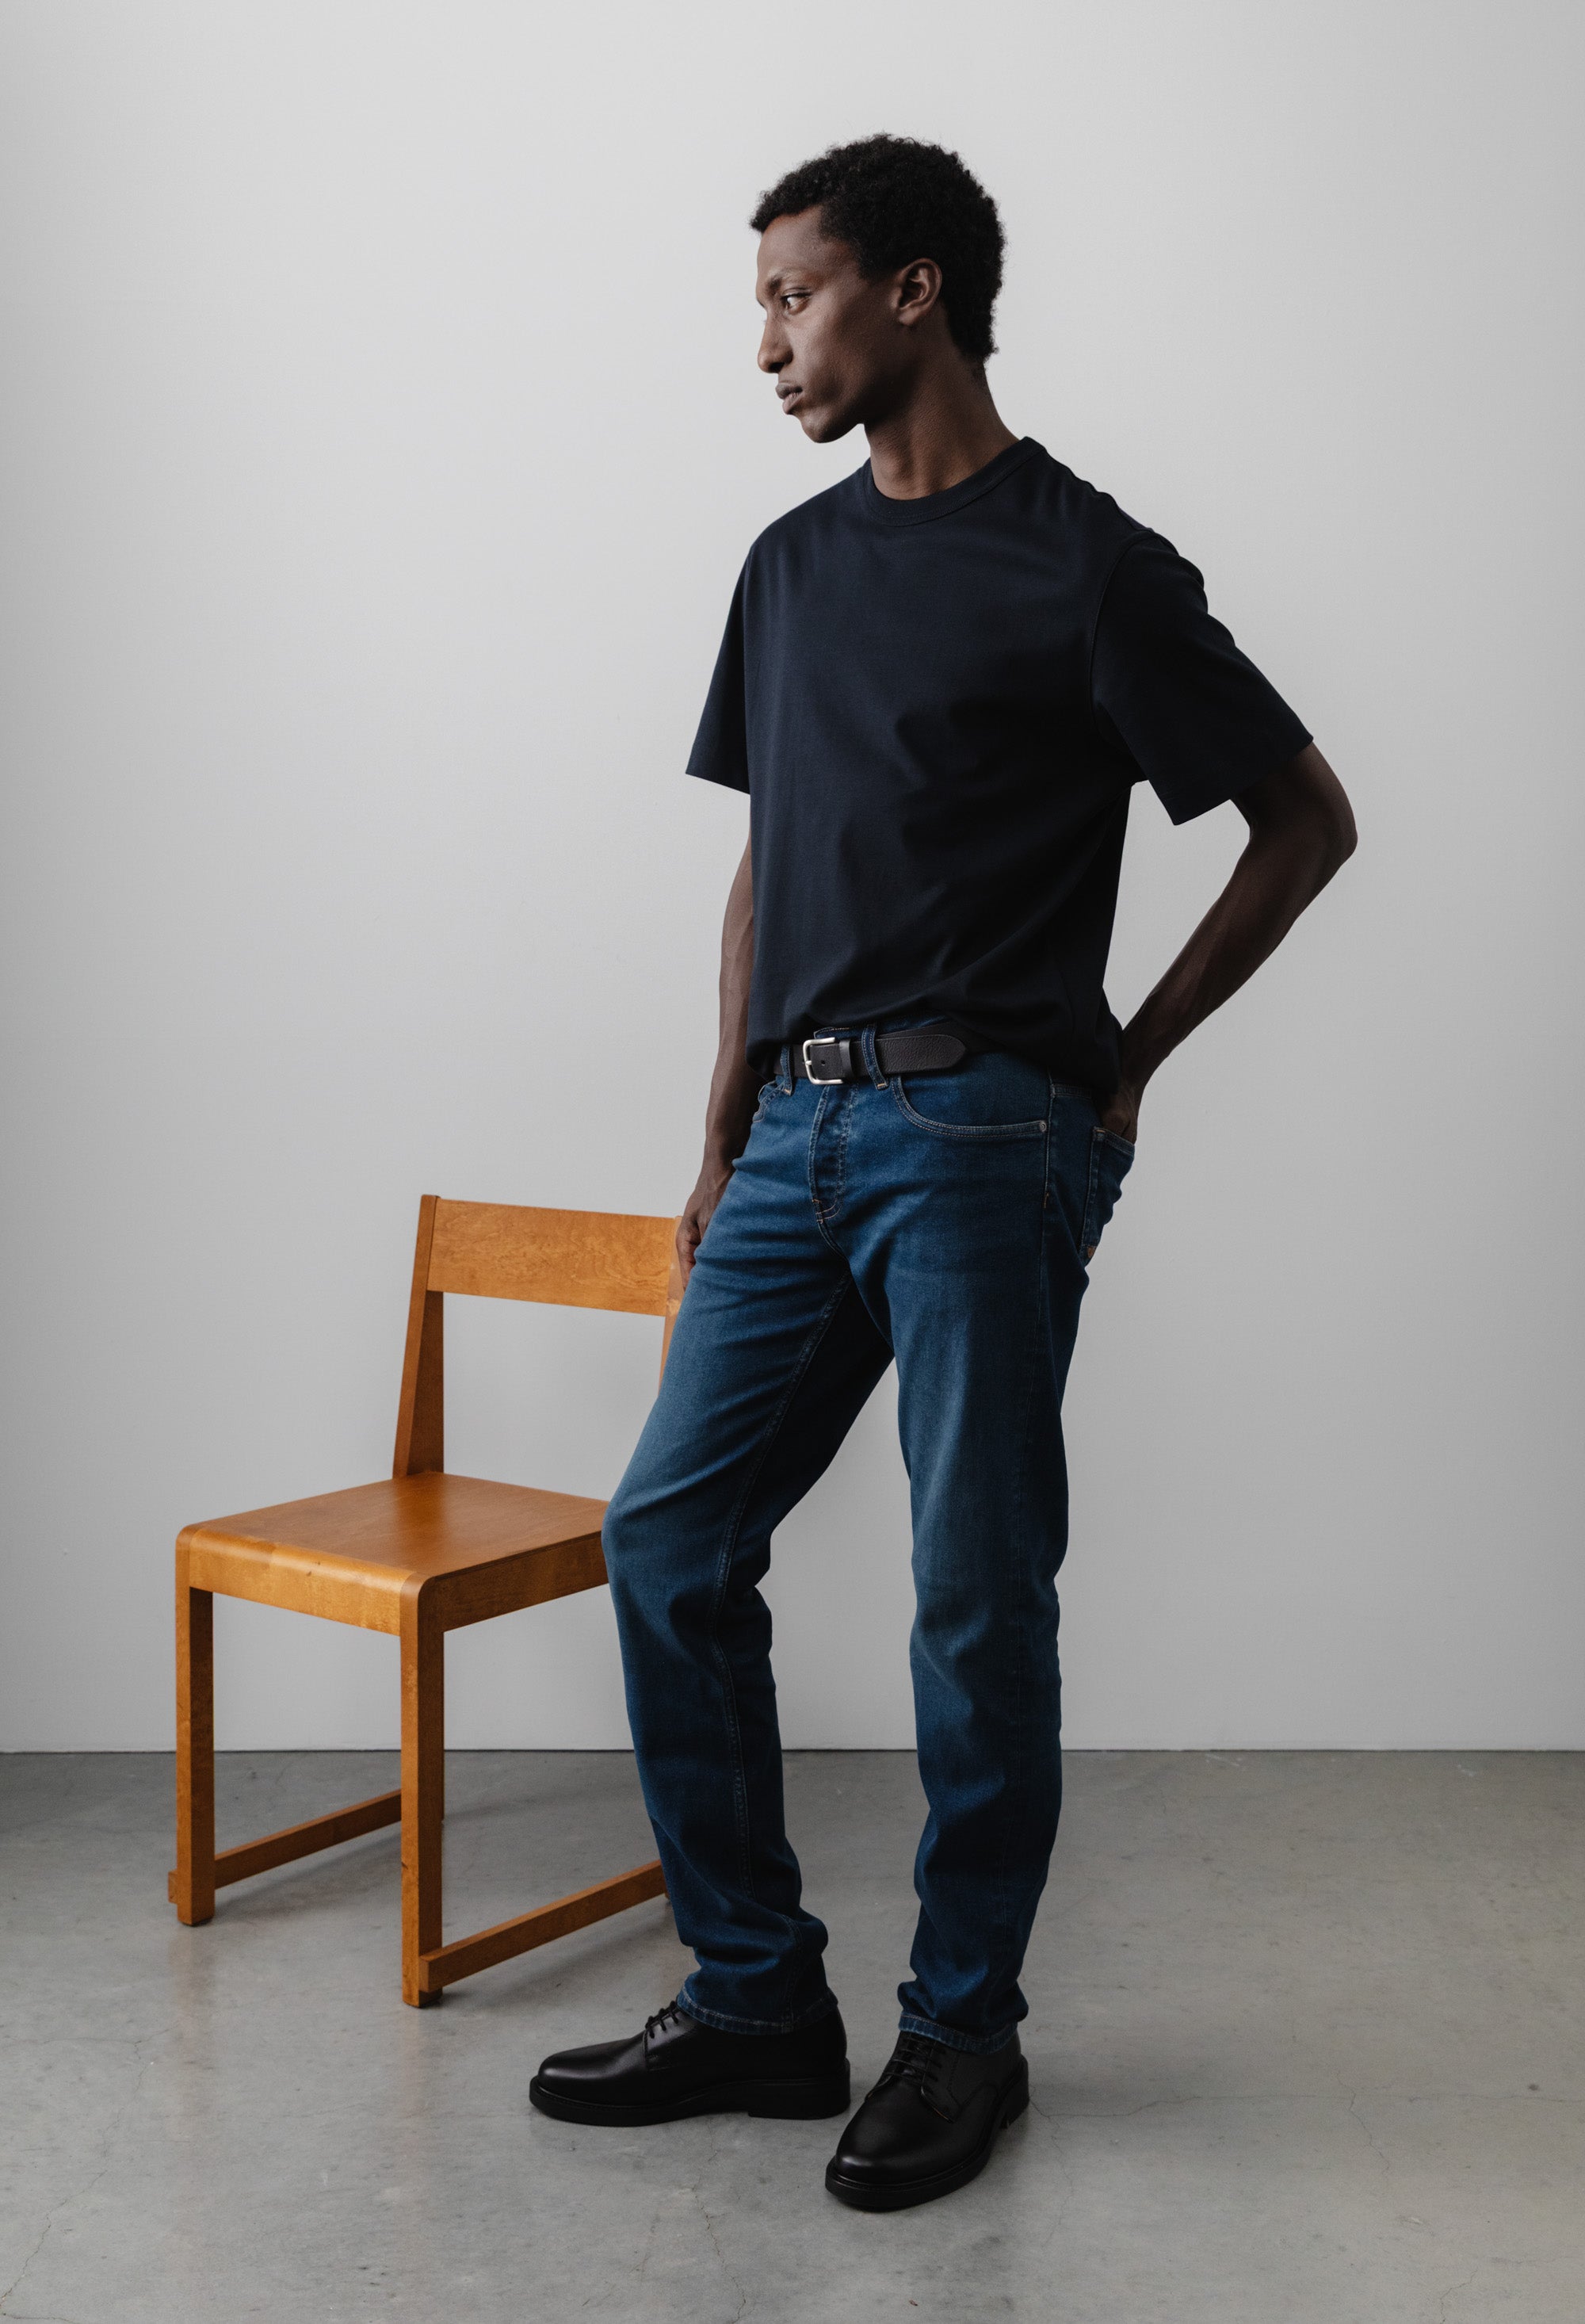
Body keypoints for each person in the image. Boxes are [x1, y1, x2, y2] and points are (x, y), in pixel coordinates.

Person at [529, 135, 1355, 2211]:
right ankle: (755, 2000)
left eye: (791, 295)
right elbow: (768, 859)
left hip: (984, 1136)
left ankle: (964, 2032)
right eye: (760, 304)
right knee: (667, 1540)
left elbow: (1304, 819)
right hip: (791, 1135)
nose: (766, 343)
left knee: (976, 1597)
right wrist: (720, 1125)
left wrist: (1126, 1062)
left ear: (912, 291)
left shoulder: (1090, 565)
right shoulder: (788, 567)